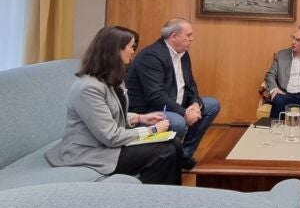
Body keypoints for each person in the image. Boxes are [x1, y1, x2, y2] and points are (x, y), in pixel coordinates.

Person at [46, 26, 181, 185]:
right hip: (91, 151)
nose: (133, 51)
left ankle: (172, 194)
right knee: (164, 152)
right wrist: (152, 130)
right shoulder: (88, 88)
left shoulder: (112, 79)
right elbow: (111, 136)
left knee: (174, 142)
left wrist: (139, 118)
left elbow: (109, 114)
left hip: (106, 144)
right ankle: (150, 197)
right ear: (115, 50)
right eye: (131, 47)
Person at [126, 18, 220, 171]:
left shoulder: (183, 55)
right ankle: (169, 160)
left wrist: (195, 104)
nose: (192, 39)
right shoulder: (151, 56)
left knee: (211, 105)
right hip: (150, 110)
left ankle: (184, 155)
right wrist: (184, 113)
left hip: (175, 104)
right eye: (188, 35)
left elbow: (191, 85)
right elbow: (156, 96)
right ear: (174, 36)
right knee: (177, 122)